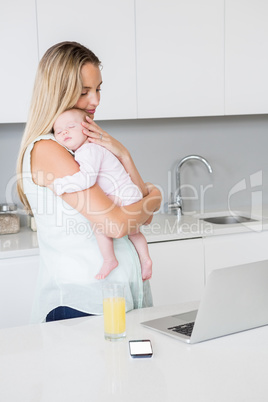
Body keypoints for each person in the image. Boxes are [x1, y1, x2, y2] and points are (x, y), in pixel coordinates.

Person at [16, 41, 162, 323]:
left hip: (113, 299)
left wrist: (124, 154)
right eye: (85, 92)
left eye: (98, 89)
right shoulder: (48, 149)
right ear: (58, 93)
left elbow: (140, 217)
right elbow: (117, 224)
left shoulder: (82, 147)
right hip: (82, 303)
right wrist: (154, 197)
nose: (95, 100)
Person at [51, 107, 152, 281]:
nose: (64, 132)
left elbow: (86, 179)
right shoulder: (89, 150)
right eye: (58, 131)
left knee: (99, 224)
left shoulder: (88, 150)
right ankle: (146, 259)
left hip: (122, 195)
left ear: (87, 129)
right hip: (127, 193)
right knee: (134, 233)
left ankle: (109, 259)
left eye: (71, 127)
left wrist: (60, 185)